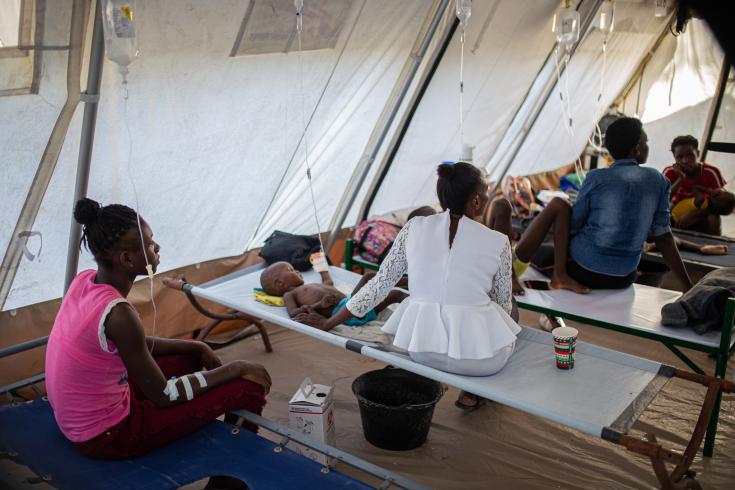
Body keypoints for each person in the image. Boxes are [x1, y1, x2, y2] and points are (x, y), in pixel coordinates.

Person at [45, 198, 271, 485]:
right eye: (150, 244)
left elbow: (131, 347)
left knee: (192, 359)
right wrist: (235, 368)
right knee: (250, 383)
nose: (157, 247)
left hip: (77, 422)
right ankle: (226, 485)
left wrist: (197, 346)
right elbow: (164, 395)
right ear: (127, 259)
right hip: (109, 437)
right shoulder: (119, 314)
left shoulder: (85, 281)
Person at [296, 162, 521, 410]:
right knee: (509, 308)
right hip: (482, 363)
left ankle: (450, 377)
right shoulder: (498, 241)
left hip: (422, 351)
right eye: (487, 191)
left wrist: (328, 323)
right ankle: (472, 391)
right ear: (477, 201)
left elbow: (378, 285)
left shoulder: (413, 227)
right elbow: (501, 304)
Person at [512, 117, 693, 292]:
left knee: (554, 216)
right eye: (645, 142)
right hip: (626, 276)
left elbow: (574, 226)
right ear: (636, 149)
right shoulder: (658, 181)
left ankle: (520, 272)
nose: (647, 146)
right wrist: (687, 286)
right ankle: (553, 282)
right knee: (560, 210)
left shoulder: (597, 178)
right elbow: (664, 237)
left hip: (585, 270)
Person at [260, 262, 407, 326]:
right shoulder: (290, 294)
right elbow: (294, 313)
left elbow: (327, 281)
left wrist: (321, 267)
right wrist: (319, 305)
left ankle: (422, 308)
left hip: (355, 306)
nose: (297, 271)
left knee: (395, 295)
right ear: (279, 283)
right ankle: (411, 280)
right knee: (368, 278)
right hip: (344, 313)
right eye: (291, 270)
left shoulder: (310, 286)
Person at [663, 135, 727, 235]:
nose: (685, 161)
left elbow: (722, 204)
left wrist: (694, 214)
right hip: (677, 213)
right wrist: (680, 179)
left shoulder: (711, 172)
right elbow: (661, 201)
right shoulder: (669, 172)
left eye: (690, 155)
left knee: (713, 218)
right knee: (664, 214)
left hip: (702, 214)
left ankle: (714, 246)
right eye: (680, 157)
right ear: (674, 157)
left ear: (697, 153)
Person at [670, 185, 735, 231]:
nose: (721, 190)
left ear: (716, 196)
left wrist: (709, 191)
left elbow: (694, 187)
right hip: (679, 218)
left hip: (674, 214)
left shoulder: (701, 200)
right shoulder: (709, 209)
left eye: (723, 192)